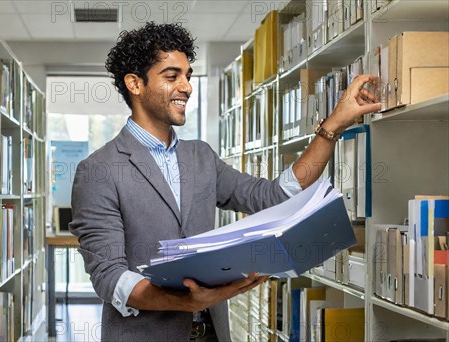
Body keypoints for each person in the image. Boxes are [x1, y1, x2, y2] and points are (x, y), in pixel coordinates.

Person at [69, 22, 380, 341]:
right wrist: (185, 301)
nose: (186, 87)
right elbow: (110, 278)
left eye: (188, 76)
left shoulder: (200, 156)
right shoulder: (98, 170)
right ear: (135, 84)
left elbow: (273, 196)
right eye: (171, 76)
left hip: (212, 333)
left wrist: (333, 126)